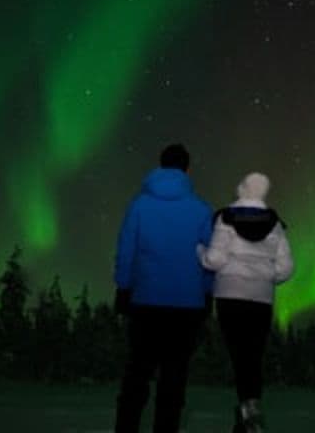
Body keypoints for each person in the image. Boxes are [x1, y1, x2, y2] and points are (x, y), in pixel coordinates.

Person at [113, 143, 214, 433]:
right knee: (174, 379)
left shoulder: (139, 206)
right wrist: (207, 295)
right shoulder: (200, 209)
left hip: (145, 303)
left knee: (136, 375)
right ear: (187, 169)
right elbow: (209, 258)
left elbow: (126, 251)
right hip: (187, 308)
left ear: (160, 165)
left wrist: (123, 288)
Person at [198, 172, 294, 433]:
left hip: (230, 297)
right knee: (253, 357)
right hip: (261, 300)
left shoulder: (225, 218)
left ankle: (247, 413)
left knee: (239, 356)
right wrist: (264, 276)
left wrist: (200, 252)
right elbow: (286, 268)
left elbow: (215, 260)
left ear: (241, 190)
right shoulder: (275, 224)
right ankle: (249, 412)